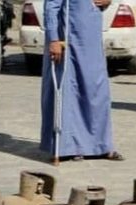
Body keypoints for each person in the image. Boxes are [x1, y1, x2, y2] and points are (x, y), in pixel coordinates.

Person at [40, 0, 123, 160]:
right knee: (69, 93)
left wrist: (107, 2)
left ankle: (100, 145)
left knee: (96, 90)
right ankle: (68, 147)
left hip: (91, 41)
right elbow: (51, 7)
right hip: (69, 40)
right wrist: (53, 39)